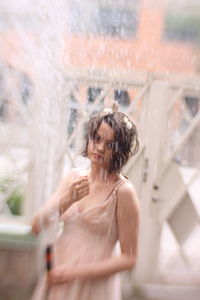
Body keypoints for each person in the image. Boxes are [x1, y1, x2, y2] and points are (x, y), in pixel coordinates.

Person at [31, 104, 140, 300]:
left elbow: (129, 258)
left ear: (120, 150)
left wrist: (75, 273)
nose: (99, 148)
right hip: (59, 269)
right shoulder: (73, 178)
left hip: (93, 284)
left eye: (109, 144)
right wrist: (67, 198)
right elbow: (36, 226)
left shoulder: (123, 192)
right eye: (96, 138)